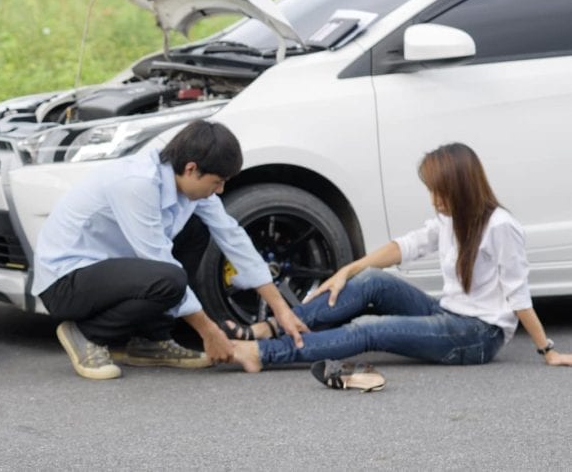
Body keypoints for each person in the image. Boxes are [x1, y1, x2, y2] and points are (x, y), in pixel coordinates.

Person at [232, 143, 572, 384]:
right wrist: (346, 271)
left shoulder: (500, 227)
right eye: (432, 191)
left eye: (441, 192)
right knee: (373, 281)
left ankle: (263, 352)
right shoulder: (452, 218)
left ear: (464, 189)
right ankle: (273, 327)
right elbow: (406, 246)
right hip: (448, 313)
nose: (435, 200)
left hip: (478, 336)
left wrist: (548, 350)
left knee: (369, 329)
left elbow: (518, 295)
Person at [32, 119, 308, 380]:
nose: (221, 190)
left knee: (197, 230)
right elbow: (157, 259)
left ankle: (151, 341)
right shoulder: (136, 184)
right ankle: (87, 334)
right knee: (169, 278)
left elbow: (232, 236)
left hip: (109, 273)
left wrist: (281, 310)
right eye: (217, 182)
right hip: (66, 282)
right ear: (191, 169)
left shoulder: (187, 187)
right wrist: (209, 332)